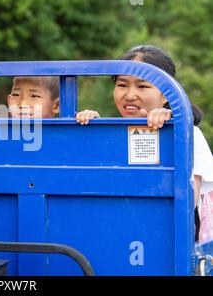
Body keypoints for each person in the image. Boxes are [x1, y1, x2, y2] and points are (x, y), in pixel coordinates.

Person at [75, 45, 213, 242]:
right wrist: (89, 129)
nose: (130, 95)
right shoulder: (109, 135)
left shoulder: (188, 135)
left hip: (163, 241)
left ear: (166, 94)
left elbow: (187, 201)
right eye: (122, 85)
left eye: (142, 86)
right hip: (111, 236)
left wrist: (165, 129)